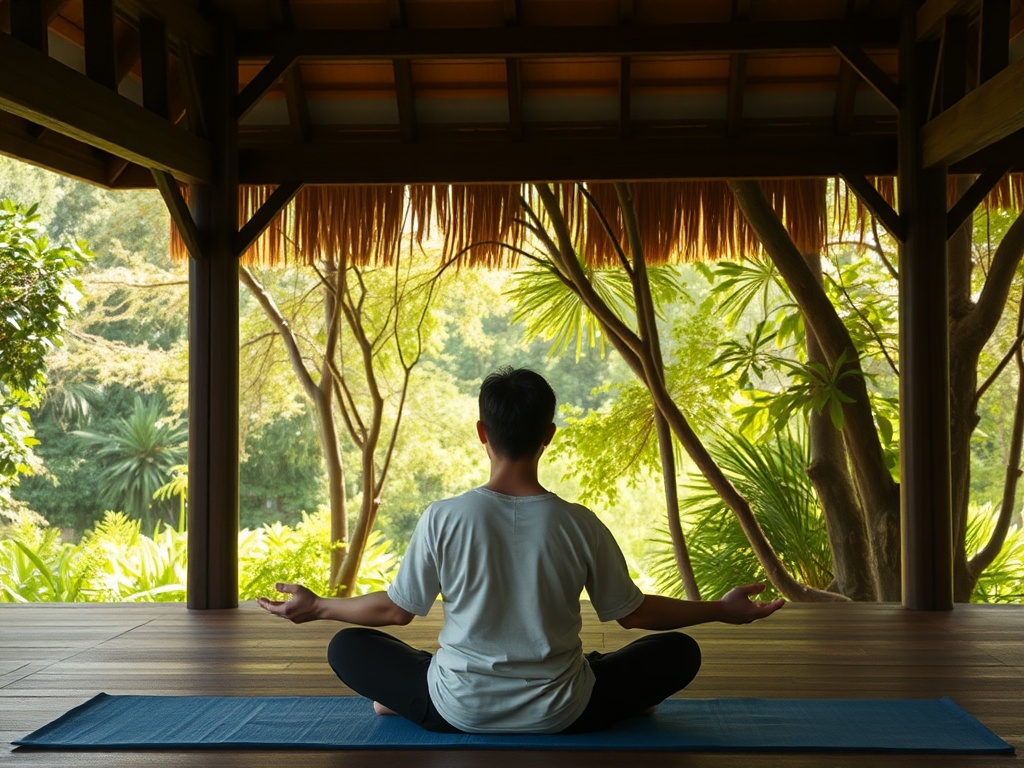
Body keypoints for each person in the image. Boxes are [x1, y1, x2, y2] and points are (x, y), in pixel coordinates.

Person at [258, 366, 784, 734]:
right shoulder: (579, 523)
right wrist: (722, 611)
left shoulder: (444, 516)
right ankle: (599, 691)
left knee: (347, 647)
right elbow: (634, 614)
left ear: (481, 432)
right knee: (679, 653)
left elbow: (395, 612)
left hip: (459, 707)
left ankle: (409, 698)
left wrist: (318, 606)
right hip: (562, 711)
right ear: (548, 435)